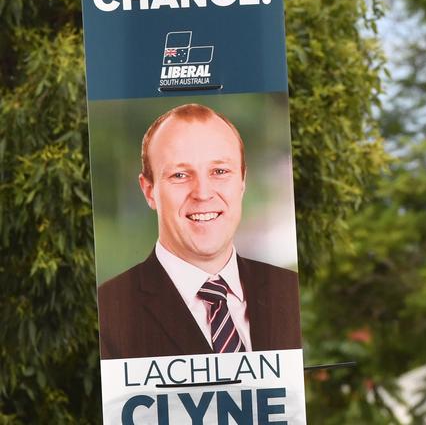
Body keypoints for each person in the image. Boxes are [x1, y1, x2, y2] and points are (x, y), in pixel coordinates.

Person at [97, 103, 302, 359]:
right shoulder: (108, 310)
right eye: (180, 175)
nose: (203, 193)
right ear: (149, 191)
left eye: (219, 171)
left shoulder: (292, 294)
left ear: (242, 181)